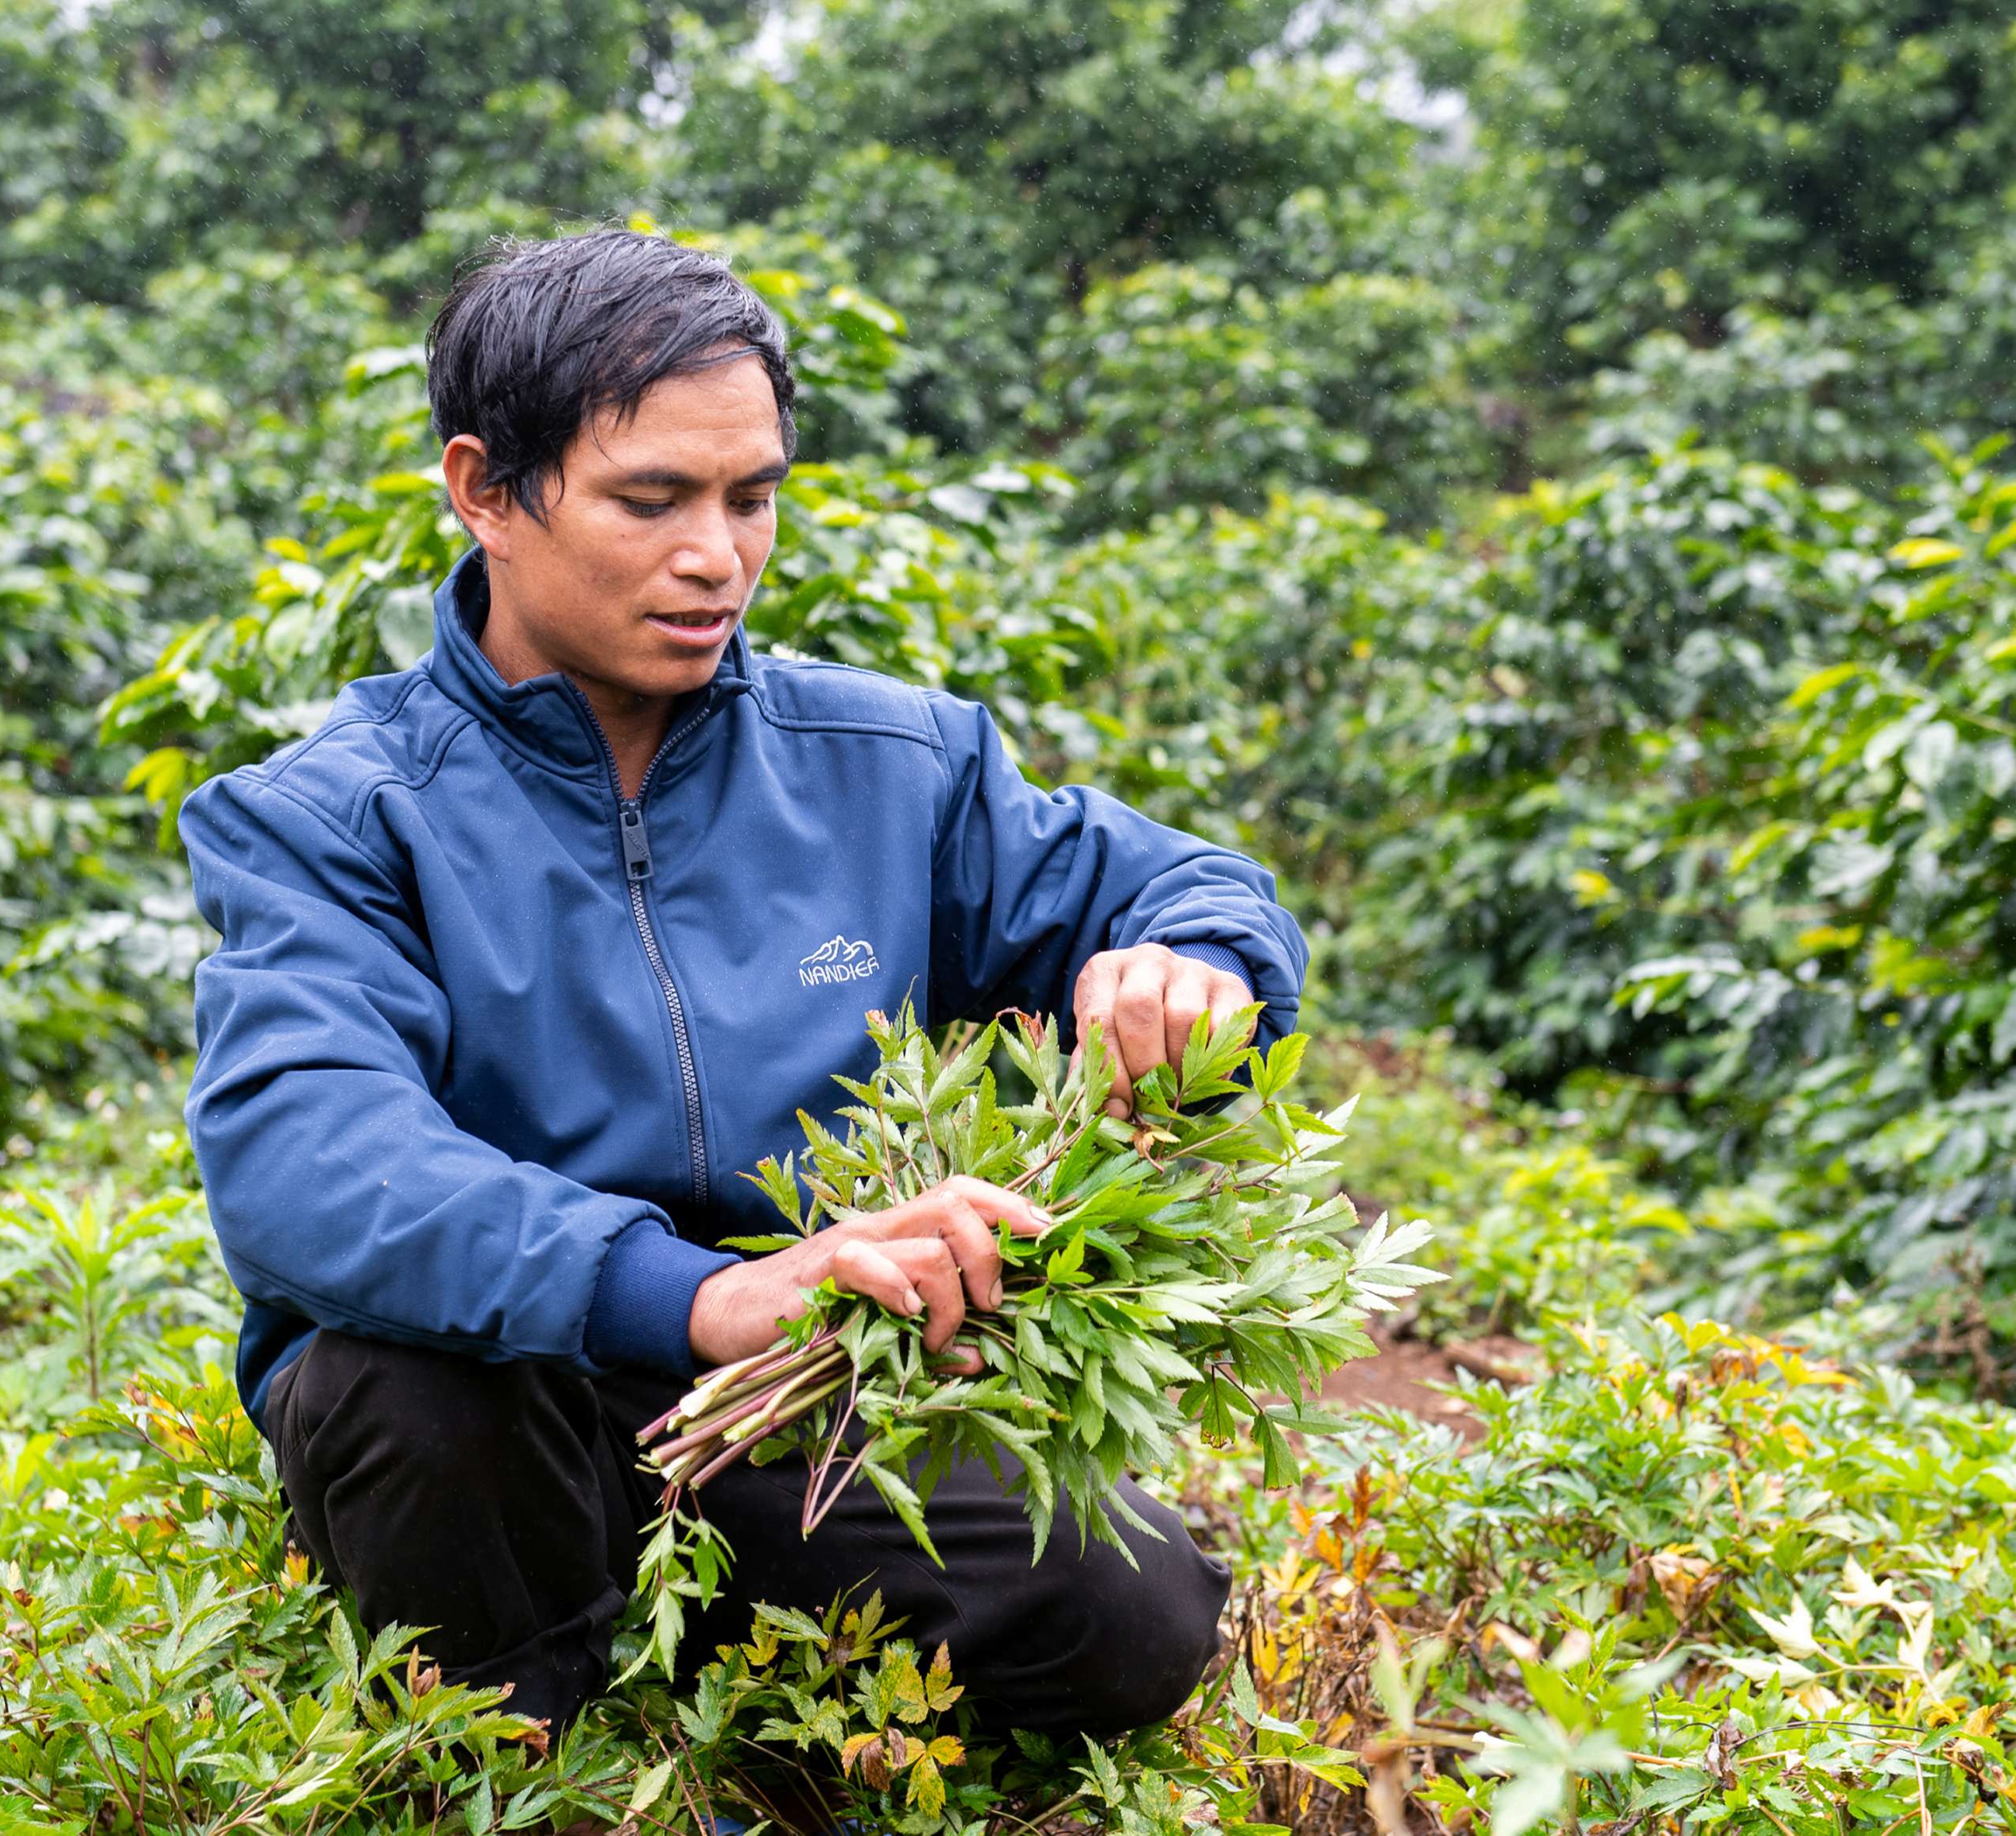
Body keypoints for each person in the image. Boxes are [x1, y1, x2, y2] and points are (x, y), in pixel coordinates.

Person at [180, 228, 1308, 1738]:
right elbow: (307, 1160)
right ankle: (526, 1738)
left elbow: (1178, 883)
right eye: (651, 499)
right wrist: (698, 1291)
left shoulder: (895, 763)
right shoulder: (334, 812)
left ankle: (705, 1669)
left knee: (1131, 1608)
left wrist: (1195, 965)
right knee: (399, 1377)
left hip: (806, 1405)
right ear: (484, 490)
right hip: (518, 1400)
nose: (716, 553)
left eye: (751, 494)